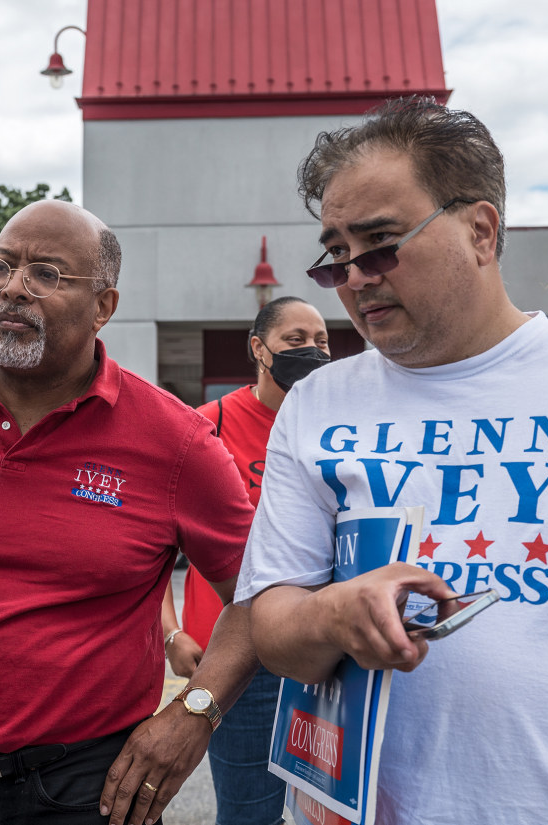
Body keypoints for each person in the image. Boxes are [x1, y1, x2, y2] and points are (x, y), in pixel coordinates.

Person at [237, 96, 548, 824]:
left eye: (381, 242)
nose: (357, 274)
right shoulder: (318, 404)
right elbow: (272, 628)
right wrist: (336, 613)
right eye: (336, 253)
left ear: (481, 230)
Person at [0, 198, 260, 825]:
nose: (14, 289)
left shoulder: (176, 442)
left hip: (92, 785)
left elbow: (256, 596)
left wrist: (195, 714)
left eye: (46, 273)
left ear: (104, 307)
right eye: (1, 267)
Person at [161, 296, 330, 825]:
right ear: (259, 348)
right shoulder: (204, 428)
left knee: (324, 808)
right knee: (250, 811)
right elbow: (152, 548)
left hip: (324, 652)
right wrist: (170, 634)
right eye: (295, 341)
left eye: (321, 342)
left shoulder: (334, 427)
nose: (312, 351)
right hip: (235, 660)